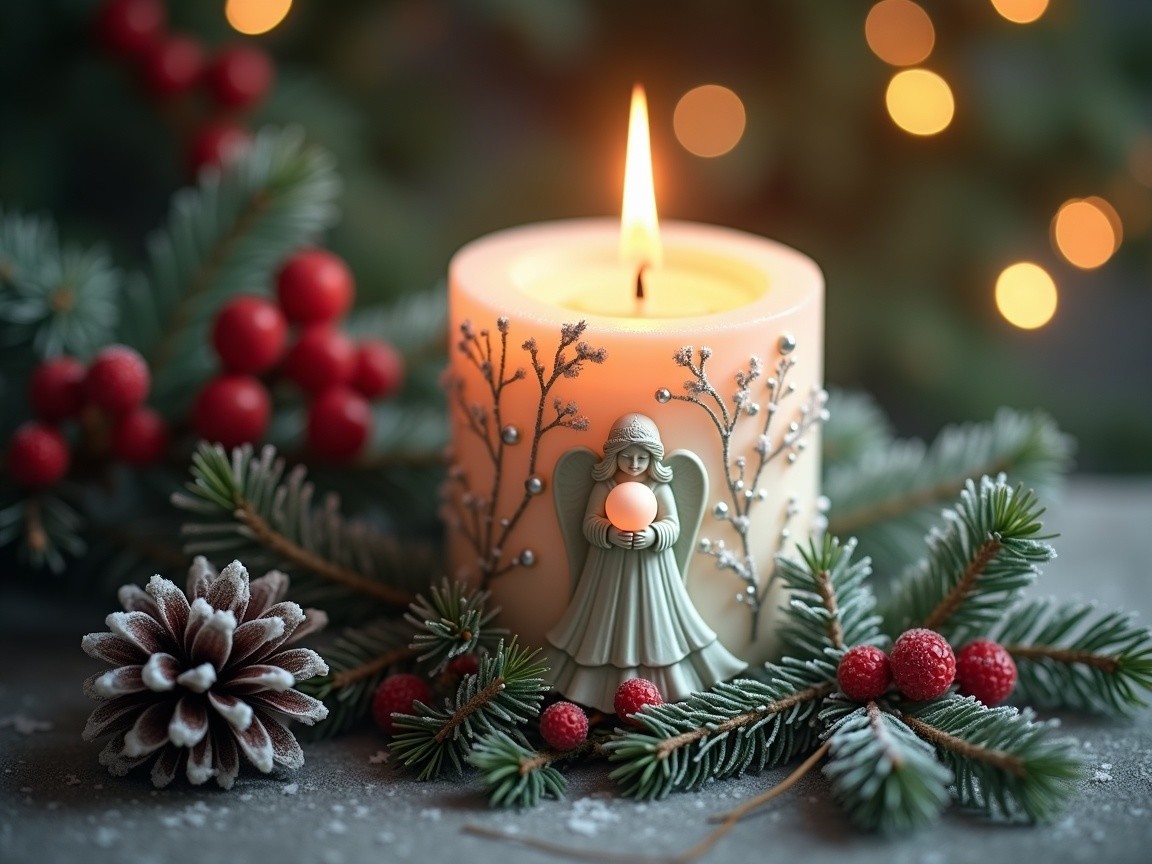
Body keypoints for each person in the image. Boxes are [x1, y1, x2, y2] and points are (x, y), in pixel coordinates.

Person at [545, 413, 746, 713]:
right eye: (628, 456)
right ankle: (596, 682)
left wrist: (653, 533)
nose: (635, 463)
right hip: (609, 572)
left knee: (652, 620)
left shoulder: (659, 489)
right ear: (614, 455)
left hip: (652, 572)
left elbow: (673, 525)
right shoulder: (604, 487)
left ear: (653, 457)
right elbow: (589, 523)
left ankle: (667, 681)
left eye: (642, 456)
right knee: (609, 620)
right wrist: (609, 532)